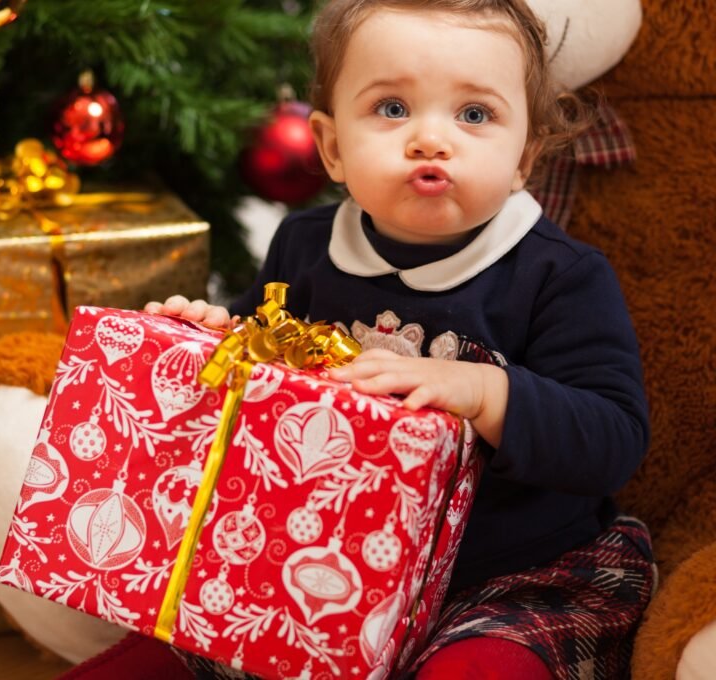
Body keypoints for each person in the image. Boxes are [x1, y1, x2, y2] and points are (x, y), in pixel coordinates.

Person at [146, 1, 656, 678]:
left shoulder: (559, 276)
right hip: (325, 561)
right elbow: (262, 366)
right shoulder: (305, 247)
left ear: (524, 156)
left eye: (475, 115)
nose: (430, 140)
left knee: (481, 668)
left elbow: (613, 441)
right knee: (170, 642)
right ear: (330, 146)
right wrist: (217, 333)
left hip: (511, 575)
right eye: (391, 109)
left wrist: (485, 391)